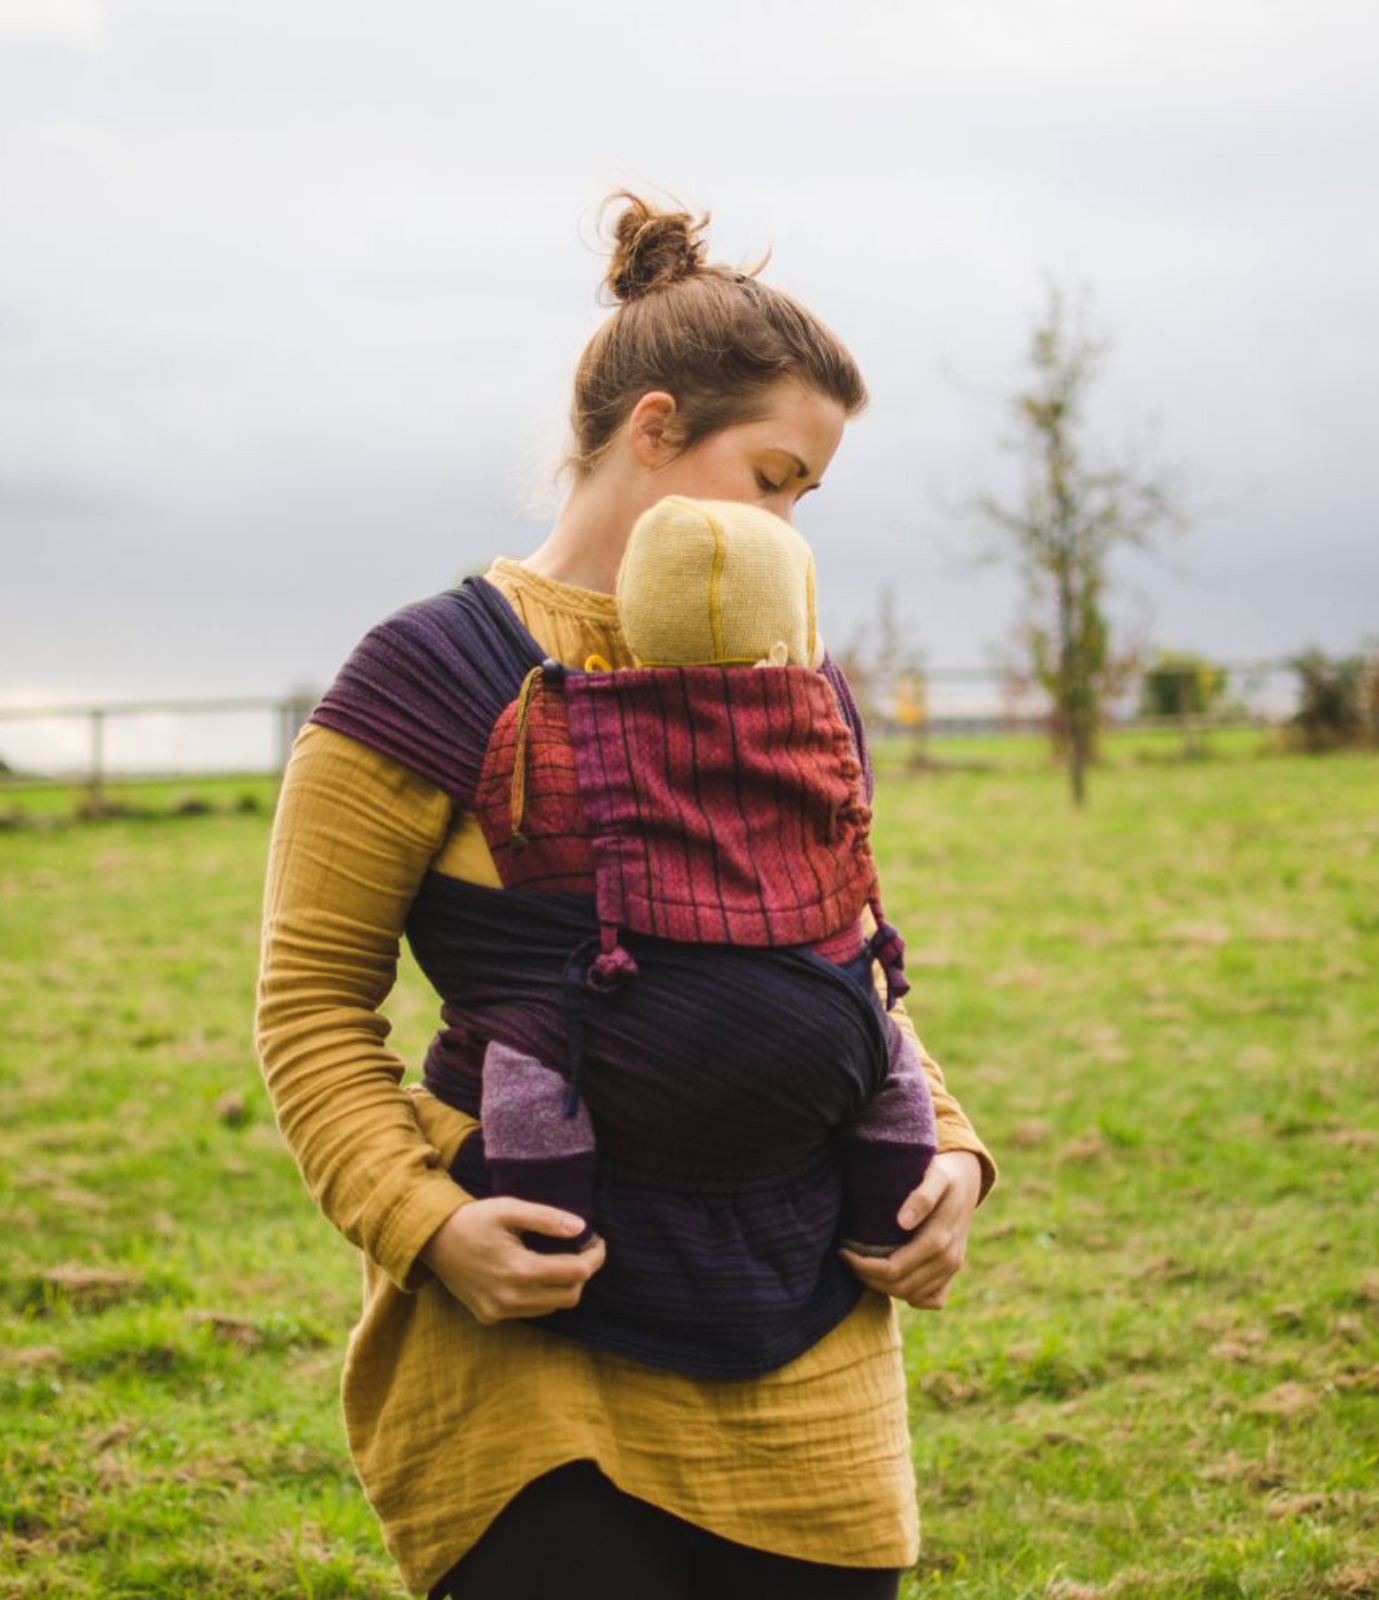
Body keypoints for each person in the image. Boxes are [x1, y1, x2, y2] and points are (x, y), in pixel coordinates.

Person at [255, 190, 995, 1600]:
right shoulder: (429, 676)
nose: (788, 522)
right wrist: (425, 1226)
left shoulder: (800, 679)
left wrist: (952, 1153)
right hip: (541, 1352)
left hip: (812, 1345)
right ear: (654, 429)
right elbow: (309, 1006)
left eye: (806, 497)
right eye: (771, 478)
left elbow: (838, 964)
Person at [475, 492, 938, 1261]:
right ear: (786, 647)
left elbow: (525, 836)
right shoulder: (818, 731)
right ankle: (891, 1215)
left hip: (622, 1012)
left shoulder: (564, 714)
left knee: (530, 1059)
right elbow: (851, 847)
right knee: (889, 1060)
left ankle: (548, 1225)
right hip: (815, 1025)